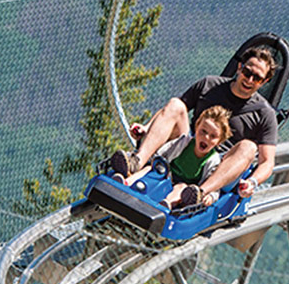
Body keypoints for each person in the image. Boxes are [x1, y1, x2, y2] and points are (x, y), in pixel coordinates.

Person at [110, 46, 278, 206]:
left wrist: (252, 182)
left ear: (265, 81)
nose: (249, 80)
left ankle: (198, 192)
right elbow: (173, 110)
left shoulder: (265, 114)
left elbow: (267, 162)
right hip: (189, 145)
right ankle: (137, 162)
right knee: (176, 104)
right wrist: (147, 128)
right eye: (247, 72)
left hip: (218, 166)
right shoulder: (209, 85)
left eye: (257, 78)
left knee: (249, 147)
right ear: (239, 67)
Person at [113, 106, 232, 209]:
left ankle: (167, 203)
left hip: (183, 187)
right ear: (196, 128)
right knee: (149, 169)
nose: (206, 138)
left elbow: (215, 184)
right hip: (166, 174)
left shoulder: (213, 160)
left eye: (213, 136)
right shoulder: (184, 142)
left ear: (219, 141)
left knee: (182, 188)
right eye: (203, 132)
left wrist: (211, 196)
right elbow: (163, 152)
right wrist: (153, 161)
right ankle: (126, 181)